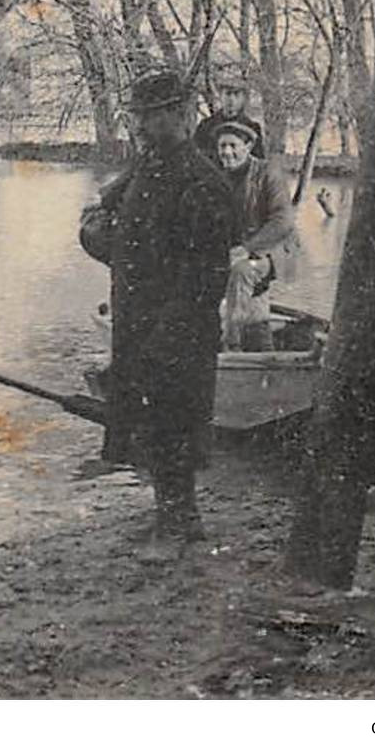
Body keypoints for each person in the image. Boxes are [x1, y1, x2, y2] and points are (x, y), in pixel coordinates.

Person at [79, 70, 234, 550]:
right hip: (136, 321)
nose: (142, 128)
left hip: (177, 329)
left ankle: (181, 521)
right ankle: (170, 515)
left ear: (183, 116)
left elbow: (206, 278)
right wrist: (93, 230)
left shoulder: (202, 182)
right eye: (139, 117)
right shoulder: (144, 173)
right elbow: (118, 244)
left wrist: (168, 337)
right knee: (150, 429)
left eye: (153, 117)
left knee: (176, 425)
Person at [213, 119, 295, 351]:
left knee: (242, 272)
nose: (227, 152)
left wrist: (247, 249)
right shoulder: (217, 178)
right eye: (222, 147)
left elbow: (283, 222)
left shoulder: (268, 173)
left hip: (271, 253)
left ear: (248, 146)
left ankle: (231, 347)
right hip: (234, 253)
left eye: (233, 145)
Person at [193, 70, 266, 162]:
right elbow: (195, 159)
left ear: (243, 98)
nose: (231, 99)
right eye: (228, 94)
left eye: (236, 94)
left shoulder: (252, 127)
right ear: (220, 95)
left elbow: (258, 163)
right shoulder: (206, 126)